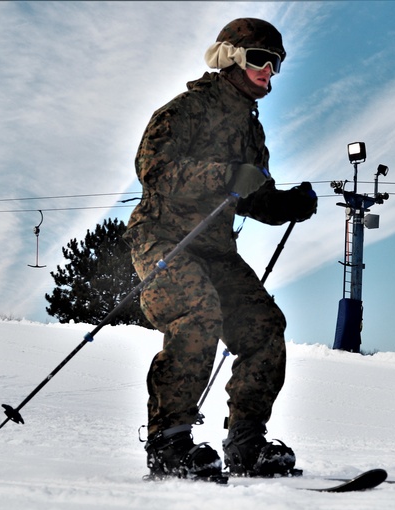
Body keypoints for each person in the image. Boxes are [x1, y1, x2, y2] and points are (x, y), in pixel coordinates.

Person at [124, 17, 318, 481]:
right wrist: (225, 174)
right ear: (230, 57)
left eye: (276, 63)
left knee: (264, 327)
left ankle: (246, 444)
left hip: (214, 248)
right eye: (260, 59)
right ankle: (168, 443)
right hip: (164, 237)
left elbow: (252, 198)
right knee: (198, 310)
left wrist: (286, 204)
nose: (269, 71)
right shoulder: (188, 109)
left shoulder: (251, 130)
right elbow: (154, 170)